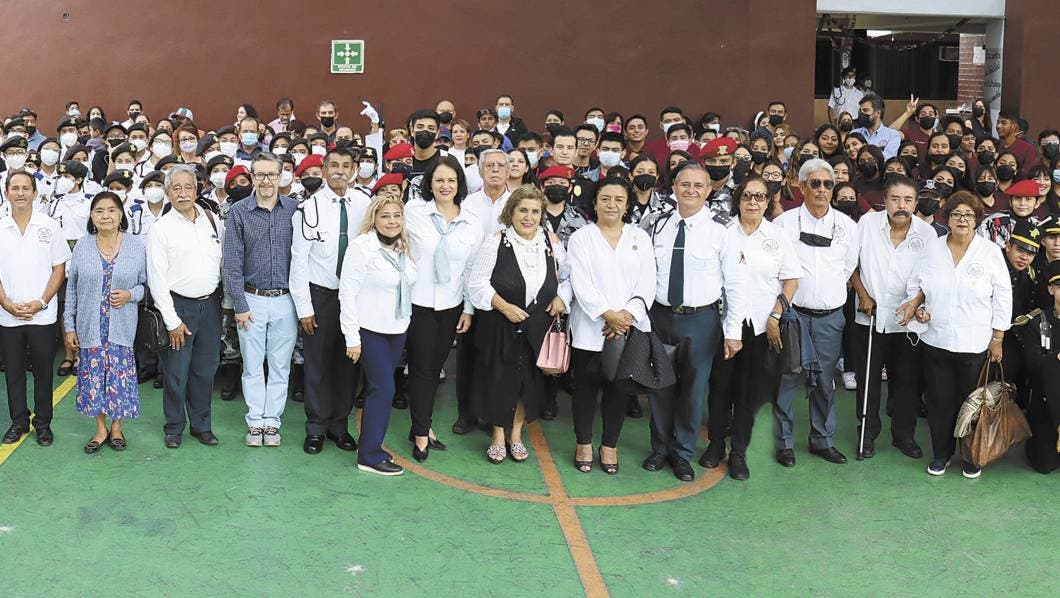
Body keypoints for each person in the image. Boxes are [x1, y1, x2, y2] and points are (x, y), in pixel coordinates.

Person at [643, 164, 747, 482]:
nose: (691, 190)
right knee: (659, 385)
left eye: (698, 185)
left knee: (692, 390)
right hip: (660, 316)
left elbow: (735, 284)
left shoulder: (722, 229)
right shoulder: (656, 224)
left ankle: (682, 452)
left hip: (700, 320)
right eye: (684, 184)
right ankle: (660, 448)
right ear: (673, 187)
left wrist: (733, 331)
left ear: (709, 190)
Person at [898, 191, 1012, 479]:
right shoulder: (932, 249)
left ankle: (972, 456)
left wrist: (998, 338)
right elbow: (915, 285)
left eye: (968, 215)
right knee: (939, 402)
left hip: (974, 343)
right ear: (947, 218)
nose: (962, 219)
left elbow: (1003, 296)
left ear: (976, 220)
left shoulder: (990, 252)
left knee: (971, 403)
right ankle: (941, 453)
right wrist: (919, 308)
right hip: (936, 339)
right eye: (956, 214)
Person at [704, 174, 801, 480]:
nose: (753, 202)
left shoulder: (777, 236)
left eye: (760, 196)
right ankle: (715, 445)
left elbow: (791, 280)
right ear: (738, 200)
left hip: (761, 327)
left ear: (768, 201)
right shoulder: (722, 233)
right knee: (719, 389)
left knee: (749, 394)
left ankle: (739, 453)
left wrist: (775, 315)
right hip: (724, 325)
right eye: (747, 196)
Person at [467, 185, 570, 464]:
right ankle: (497, 435)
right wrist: (504, 306)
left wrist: (562, 298)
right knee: (500, 379)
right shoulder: (496, 241)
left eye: (535, 211)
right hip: (501, 325)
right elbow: (477, 283)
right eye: (522, 210)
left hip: (538, 326)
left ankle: (515, 434)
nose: (529, 217)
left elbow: (567, 277)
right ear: (510, 212)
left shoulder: (551, 242)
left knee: (528, 382)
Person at [772, 159, 859, 466]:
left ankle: (822, 440)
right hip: (792, 316)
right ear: (801, 186)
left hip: (829, 318)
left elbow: (848, 268)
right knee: (786, 378)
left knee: (824, 381)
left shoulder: (848, 227)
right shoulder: (783, 224)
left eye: (828, 184)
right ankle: (783, 443)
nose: (822, 189)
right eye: (815, 183)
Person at [567, 176, 655, 474]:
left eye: (619, 199)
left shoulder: (639, 238)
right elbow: (581, 283)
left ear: (627, 205)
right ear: (595, 203)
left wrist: (626, 316)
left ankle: (609, 446)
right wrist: (608, 314)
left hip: (628, 329)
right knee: (585, 389)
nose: (611, 205)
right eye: (605, 199)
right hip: (590, 328)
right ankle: (583, 443)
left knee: (619, 390)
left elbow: (647, 282)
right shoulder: (581, 238)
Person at [848, 176, 936, 460]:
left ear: (916, 203)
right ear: (884, 201)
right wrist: (862, 294)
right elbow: (850, 265)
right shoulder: (866, 224)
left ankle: (903, 436)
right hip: (870, 318)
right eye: (895, 199)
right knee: (868, 382)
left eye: (908, 200)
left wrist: (916, 302)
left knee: (907, 384)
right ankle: (867, 435)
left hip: (907, 323)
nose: (901, 205)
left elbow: (931, 278)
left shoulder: (927, 234)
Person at [289, 148, 369, 454]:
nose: (339, 171)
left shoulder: (364, 204)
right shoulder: (309, 208)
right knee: (318, 364)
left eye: (346, 166)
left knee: (347, 364)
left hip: (354, 297)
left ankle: (339, 425)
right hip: (320, 295)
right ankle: (316, 427)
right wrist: (305, 308)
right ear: (323, 170)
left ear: (354, 170)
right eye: (333, 165)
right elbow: (299, 261)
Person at [403, 156, 482, 461]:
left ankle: (420, 423)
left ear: (459, 184)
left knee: (433, 368)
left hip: (451, 305)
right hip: (417, 302)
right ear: (430, 183)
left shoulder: (472, 222)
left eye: (451, 180)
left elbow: (472, 269)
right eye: (439, 180)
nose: (445, 186)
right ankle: (422, 433)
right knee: (422, 369)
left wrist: (468, 309)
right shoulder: (413, 212)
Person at [222, 153, 299, 447]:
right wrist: (240, 305)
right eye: (260, 175)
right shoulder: (239, 212)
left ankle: (272, 422)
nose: (266, 181)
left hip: (286, 300)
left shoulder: (294, 210)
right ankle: (255, 422)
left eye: (272, 175)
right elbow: (232, 263)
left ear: (281, 177)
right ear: (252, 177)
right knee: (253, 365)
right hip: (251, 299)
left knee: (280, 365)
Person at [146, 164, 224, 449]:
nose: (182, 193)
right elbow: (157, 279)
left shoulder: (212, 220)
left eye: (188, 187)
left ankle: (201, 426)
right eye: (176, 188)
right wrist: (172, 320)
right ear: (168, 193)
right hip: (178, 308)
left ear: (197, 189)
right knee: (177, 373)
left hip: (210, 306)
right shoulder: (161, 229)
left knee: (205, 369)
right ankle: (174, 427)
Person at [339, 195, 417, 476]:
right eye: (385, 216)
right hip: (369, 330)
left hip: (396, 330)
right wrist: (352, 337)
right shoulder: (362, 247)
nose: (392, 221)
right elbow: (347, 292)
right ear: (374, 219)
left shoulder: (403, 247)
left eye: (397, 216)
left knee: (381, 388)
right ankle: (370, 455)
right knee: (383, 389)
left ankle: (372, 448)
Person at [64, 191, 146, 453]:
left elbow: (144, 286)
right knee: (94, 379)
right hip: (90, 326)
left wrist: (130, 295)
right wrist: (69, 326)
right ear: (91, 216)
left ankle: (117, 428)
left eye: (111, 210)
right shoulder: (83, 246)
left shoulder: (136, 246)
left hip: (122, 325)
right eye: (99, 211)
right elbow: (72, 289)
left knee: (120, 378)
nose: (105, 216)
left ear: (121, 214)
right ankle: (100, 429)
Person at [0, 172, 70, 446]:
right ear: (6, 193)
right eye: (15, 188)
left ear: (35, 193)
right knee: (13, 372)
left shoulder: (49, 226)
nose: (20, 193)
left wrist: (41, 301)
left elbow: (59, 268)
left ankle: (43, 424)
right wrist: (6, 303)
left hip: (43, 315)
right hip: (8, 315)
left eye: (25, 188)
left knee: (43, 372)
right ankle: (18, 422)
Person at [451, 148, 510, 433]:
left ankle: (490, 414)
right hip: (471, 287)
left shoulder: (517, 202)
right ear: (481, 170)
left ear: (509, 171)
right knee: (468, 356)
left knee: (496, 359)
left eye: (500, 165)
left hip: (504, 290)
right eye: (490, 166)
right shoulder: (468, 204)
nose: (495, 170)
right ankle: (466, 414)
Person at [1011, 260, 1060, 473]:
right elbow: (1033, 364)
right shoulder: (1036, 322)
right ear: (1051, 289)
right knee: (1044, 464)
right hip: (1045, 400)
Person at [977, 179, 1043, 248]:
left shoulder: (1038, 226)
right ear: (1010, 202)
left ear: (1037, 203)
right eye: (1017, 198)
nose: (1022, 203)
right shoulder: (993, 222)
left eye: (1028, 199)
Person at [851, 93, 900, 159]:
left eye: (865, 110)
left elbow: (889, 159)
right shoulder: (854, 133)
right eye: (860, 111)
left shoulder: (892, 135)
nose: (862, 113)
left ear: (878, 112)